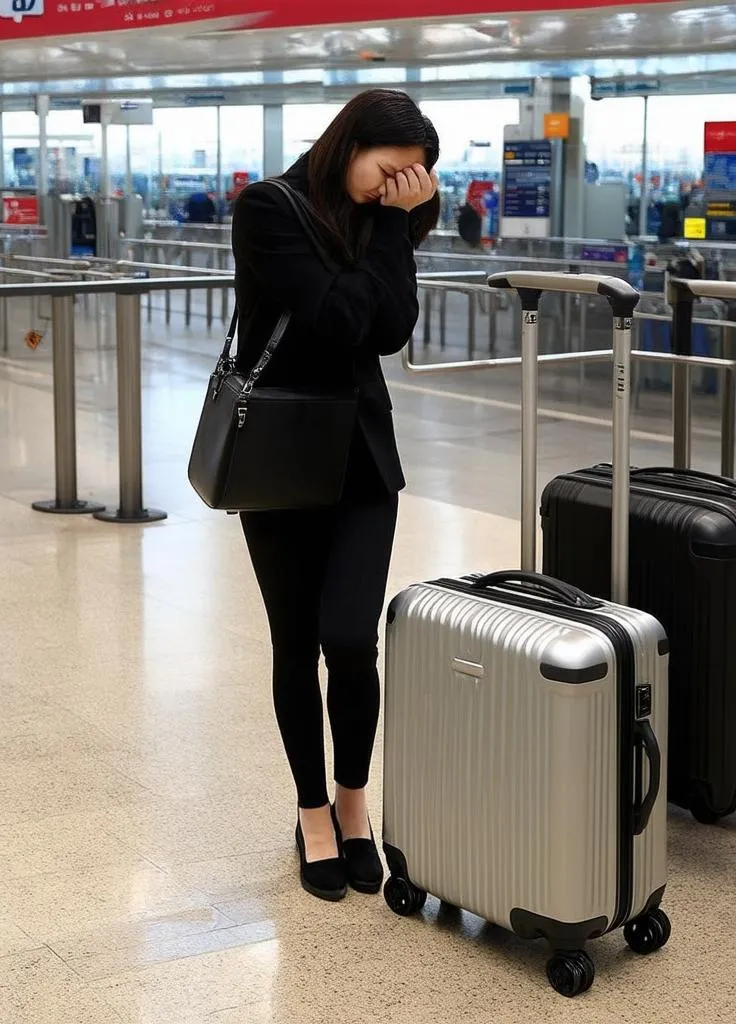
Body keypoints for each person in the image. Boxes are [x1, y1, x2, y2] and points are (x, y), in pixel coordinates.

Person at [230, 89, 440, 902]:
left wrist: (392, 226)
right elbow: (335, 321)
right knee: (295, 642)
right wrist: (387, 233)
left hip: (360, 461)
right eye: (388, 172)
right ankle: (313, 812)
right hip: (280, 459)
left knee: (352, 639)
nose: (394, 190)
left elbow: (388, 330)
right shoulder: (268, 208)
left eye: (410, 182)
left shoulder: (381, 220)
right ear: (350, 142)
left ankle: (356, 805)